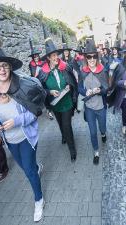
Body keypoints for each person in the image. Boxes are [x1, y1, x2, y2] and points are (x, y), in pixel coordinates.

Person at [0, 22, 45, 222]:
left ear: (9, 67)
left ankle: (38, 200)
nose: (1, 69)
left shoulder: (22, 85)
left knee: (29, 170)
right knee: (24, 167)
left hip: (26, 136)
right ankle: (36, 169)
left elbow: (35, 112)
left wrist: (16, 120)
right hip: (9, 140)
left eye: (4, 65)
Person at [38, 25, 78, 162]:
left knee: (67, 125)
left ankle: (72, 149)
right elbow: (40, 89)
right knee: (60, 124)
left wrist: (70, 90)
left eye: (56, 55)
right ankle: (63, 135)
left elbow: (73, 82)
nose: (56, 58)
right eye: (53, 56)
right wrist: (49, 91)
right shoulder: (43, 72)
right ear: (48, 58)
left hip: (66, 102)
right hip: (55, 104)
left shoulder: (65, 67)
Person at [78, 38, 108, 165]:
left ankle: (103, 133)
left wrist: (98, 90)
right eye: (89, 57)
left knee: (102, 127)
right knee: (92, 131)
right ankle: (96, 151)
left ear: (97, 57)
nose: (91, 59)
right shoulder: (82, 72)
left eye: (93, 56)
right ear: (86, 58)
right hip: (89, 107)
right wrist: (86, 92)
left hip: (101, 107)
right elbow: (79, 87)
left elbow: (106, 88)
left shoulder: (102, 70)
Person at [28, 38, 54, 120]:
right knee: (44, 96)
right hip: (38, 83)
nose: (36, 57)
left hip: (46, 81)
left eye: (37, 56)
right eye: (34, 56)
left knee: (49, 95)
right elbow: (32, 74)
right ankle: (49, 111)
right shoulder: (31, 64)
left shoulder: (43, 62)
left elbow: (47, 69)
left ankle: (52, 107)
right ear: (32, 57)